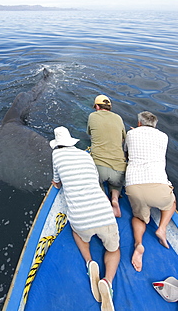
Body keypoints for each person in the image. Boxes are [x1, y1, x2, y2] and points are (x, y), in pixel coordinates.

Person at [50, 126, 120, 311]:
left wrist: (57, 183)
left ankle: (90, 262)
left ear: (57, 145)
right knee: (113, 250)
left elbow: (57, 183)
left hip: (81, 220)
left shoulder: (56, 156)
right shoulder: (85, 155)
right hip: (104, 213)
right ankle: (108, 281)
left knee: (78, 232)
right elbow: (95, 178)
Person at [124, 111, 176, 272]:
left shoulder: (131, 134)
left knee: (139, 218)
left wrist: (132, 133)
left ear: (139, 123)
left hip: (135, 186)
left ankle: (138, 243)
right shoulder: (164, 137)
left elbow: (126, 153)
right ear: (155, 125)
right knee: (171, 203)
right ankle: (162, 228)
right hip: (158, 186)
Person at [87, 94, 127, 217]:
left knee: (95, 182)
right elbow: (123, 138)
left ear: (97, 107)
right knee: (116, 184)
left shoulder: (92, 116)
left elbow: (89, 132)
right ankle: (114, 198)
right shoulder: (118, 118)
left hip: (99, 166)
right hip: (118, 168)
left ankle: (105, 201)